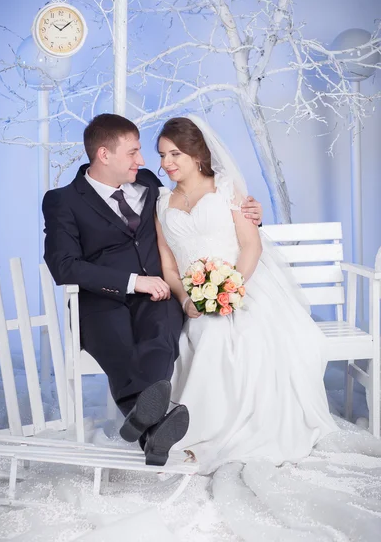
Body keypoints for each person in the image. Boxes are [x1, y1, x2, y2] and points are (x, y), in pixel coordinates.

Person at [42, 113, 263, 466]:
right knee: (118, 342)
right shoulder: (62, 201)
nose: (145, 162)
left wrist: (251, 212)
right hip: (103, 299)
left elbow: (200, 197)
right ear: (104, 155)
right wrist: (132, 282)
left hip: (157, 293)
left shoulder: (147, 183)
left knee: (162, 332)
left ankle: (145, 424)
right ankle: (152, 427)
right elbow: (64, 265)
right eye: (133, 152)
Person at [155, 115, 338, 475]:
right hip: (194, 297)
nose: (166, 163)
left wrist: (230, 289)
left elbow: (250, 246)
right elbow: (169, 267)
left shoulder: (226, 190)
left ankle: (217, 432)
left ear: (196, 154)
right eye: (161, 155)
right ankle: (194, 430)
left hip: (243, 284)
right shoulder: (162, 203)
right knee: (208, 334)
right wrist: (186, 299)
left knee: (252, 337)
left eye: (174, 154)